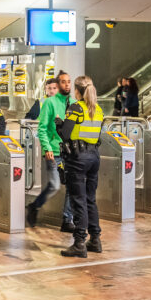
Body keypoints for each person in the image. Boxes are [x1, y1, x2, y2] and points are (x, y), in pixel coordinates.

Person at [58, 76, 104, 258]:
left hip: (78, 158)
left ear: (77, 91)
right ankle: (95, 239)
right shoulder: (98, 109)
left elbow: (66, 135)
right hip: (94, 156)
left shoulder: (76, 108)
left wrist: (59, 124)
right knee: (90, 199)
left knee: (78, 200)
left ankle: (79, 243)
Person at [26, 71, 75, 232]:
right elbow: (42, 128)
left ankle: (67, 220)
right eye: (63, 82)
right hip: (54, 151)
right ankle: (34, 206)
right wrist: (47, 148)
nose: (66, 85)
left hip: (71, 152)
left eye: (69, 82)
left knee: (73, 185)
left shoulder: (74, 103)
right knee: (54, 185)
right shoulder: (49, 103)